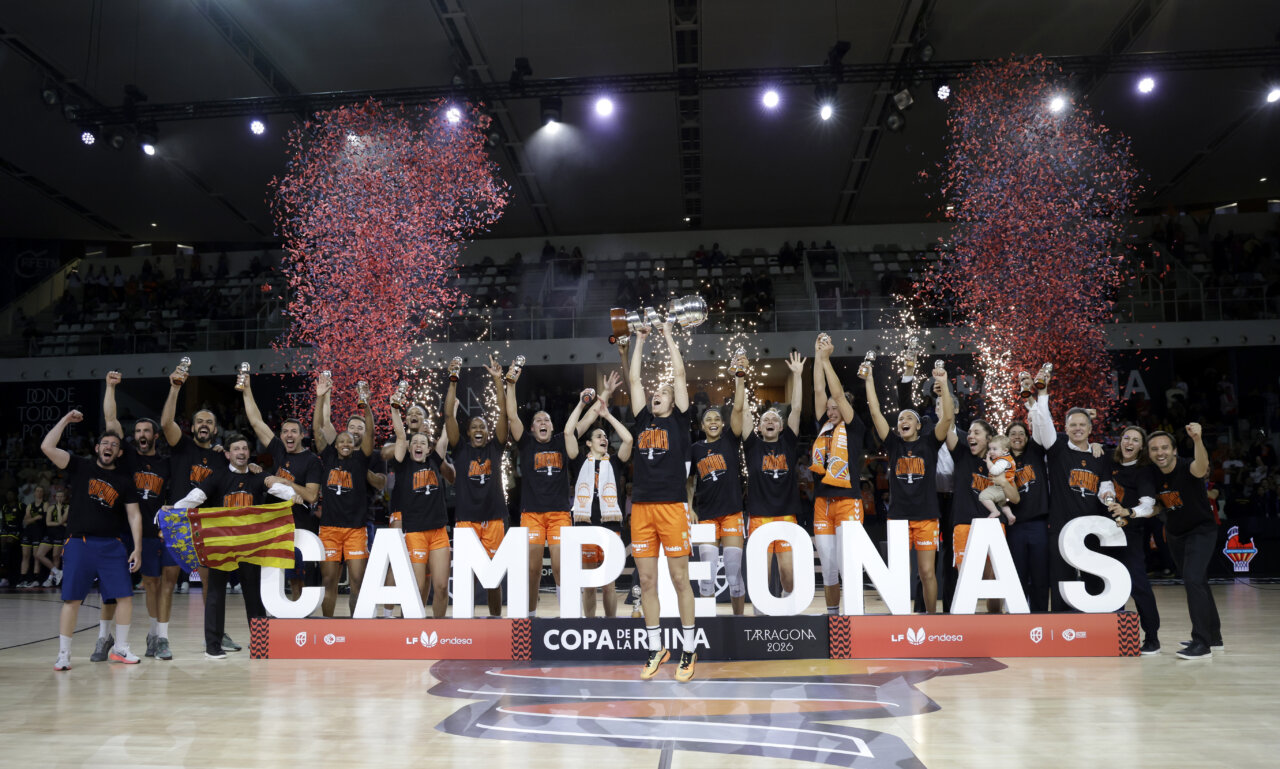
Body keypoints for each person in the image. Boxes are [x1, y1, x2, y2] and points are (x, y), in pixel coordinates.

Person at [173, 432, 294, 658]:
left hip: (250, 547)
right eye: (236, 449)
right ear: (228, 454)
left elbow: (284, 492)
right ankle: (213, 646)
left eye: (245, 449)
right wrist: (173, 509)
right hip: (222, 547)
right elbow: (195, 497)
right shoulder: (217, 477)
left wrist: (290, 492)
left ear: (249, 453)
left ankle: (260, 644)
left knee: (254, 596)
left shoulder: (259, 477)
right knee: (216, 595)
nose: (241, 452)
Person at [41, 410, 143, 671]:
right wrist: (64, 420)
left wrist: (137, 549)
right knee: (72, 599)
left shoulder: (124, 480)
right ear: (97, 448)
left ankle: (120, 648)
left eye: (115, 445)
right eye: (105, 443)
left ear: (119, 453)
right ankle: (64, 653)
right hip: (79, 542)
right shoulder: (80, 466)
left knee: (125, 597)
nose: (109, 447)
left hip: (112, 545)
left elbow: (134, 515)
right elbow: (47, 446)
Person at [627, 321, 698, 682]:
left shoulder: (681, 423)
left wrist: (668, 334)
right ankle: (656, 648)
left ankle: (688, 649)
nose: (657, 393)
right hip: (640, 507)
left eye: (664, 391)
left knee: (680, 579)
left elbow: (680, 373)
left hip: (671, 507)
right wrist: (639, 340)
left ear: (673, 401)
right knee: (648, 581)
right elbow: (635, 381)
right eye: (657, 392)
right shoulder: (642, 421)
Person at [161, 367, 243, 651]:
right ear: (192, 426)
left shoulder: (222, 458)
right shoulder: (181, 445)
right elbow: (166, 422)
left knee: (212, 584)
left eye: (209, 421)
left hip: (208, 525)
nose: (204, 425)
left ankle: (216, 634)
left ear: (215, 429)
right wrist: (175, 388)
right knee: (168, 582)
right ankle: (160, 638)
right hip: (179, 522)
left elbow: (242, 474)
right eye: (199, 421)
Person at [864, 359, 955, 613]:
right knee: (900, 573)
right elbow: (875, 413)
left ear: (917, 425)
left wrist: (943, 383)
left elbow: (947, 417)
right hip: (898, 517)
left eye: (908, 418)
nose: (902, 420)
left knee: (927, 572)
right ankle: (901, 619)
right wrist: (869, 380)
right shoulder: (893, 444)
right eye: (900, 418)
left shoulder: (929, 443)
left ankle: (931, 619)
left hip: (926, 517)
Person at [505, 362, 595, 615]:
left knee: (561, 567)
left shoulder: (562, 440)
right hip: (531, 514)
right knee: (532, 569)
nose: (543, 421)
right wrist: (510, 386)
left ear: (553, 426)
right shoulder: (526, 443)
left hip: (559, 514)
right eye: (538, 420)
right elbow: (512, 416)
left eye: (547, 419)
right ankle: (530, 616)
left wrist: (603, 397)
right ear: (532, 428)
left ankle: (567, 614)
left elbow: (587, 420)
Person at [1026, 369, 1116, 611]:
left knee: (1094, 581)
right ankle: (1061, 630)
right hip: (1061, 527)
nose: (1078, 428)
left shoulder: (1100, 455)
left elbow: (1106, 486)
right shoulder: (1057, 451)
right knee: (1062, 580)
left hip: (1093, 527)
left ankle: (1095, 629)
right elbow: (1043, 422)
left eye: (1082, 424)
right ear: (1065, 427)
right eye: (1073, 424)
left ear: (1090, 427)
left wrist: (1109, 498)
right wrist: (1043, 392)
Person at [104, 371, 178, 660]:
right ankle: (105, 637)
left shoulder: (165, 463)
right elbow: (111, 422)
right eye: (138, 433)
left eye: (147, 432)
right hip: (121, 529)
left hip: (150, 531)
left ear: (155, 436)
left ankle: (152, 635)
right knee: (114, 585)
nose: (142, 436)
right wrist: (111, 388)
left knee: (152, 584)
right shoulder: (128, 456)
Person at [242, 376, 322, 604]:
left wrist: (285, 482)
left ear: (302, 435)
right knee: (275, 577)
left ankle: (300, 623)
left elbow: (312, 495)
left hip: (301, 527)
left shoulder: (312, 461)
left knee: (298, 580)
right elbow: (256, 422)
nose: (288, 435)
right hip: (276, 524)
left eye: (293, 431)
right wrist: (247, 390)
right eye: (285, 431)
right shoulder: (279, 450)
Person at [1148, 424, 1221, 660]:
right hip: (1176, 533)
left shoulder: (1186, 466)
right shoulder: (1153, 474)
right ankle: (1214, 637)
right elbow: (1161, 504)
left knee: (1192, 580)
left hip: (1201, 530)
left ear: (1174, 450)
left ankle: (1202, 644)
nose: (1160, 452)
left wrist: (1198, 439)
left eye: (1165, 448)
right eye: (1155, 449)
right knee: (1197, 581)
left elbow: (1201, 467)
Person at [445, 356, 509, 617]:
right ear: (468, 433)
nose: (479, 429)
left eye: (483, 426)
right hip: (466, 522)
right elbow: (449, 414)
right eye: (474, 427)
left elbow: (504, 414)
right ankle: (465, 622)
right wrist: (453, 380)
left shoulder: (496, 448)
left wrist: (498, 380)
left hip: (494, 520)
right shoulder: (460, 450)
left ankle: (495, 620)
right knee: (465, 576)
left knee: (493, 579)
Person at [811, 334, 869, 614]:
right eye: (830, 409)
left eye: (838, 407)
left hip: (847, 501)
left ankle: (855, 614)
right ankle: (834, 618)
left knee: (848, 563)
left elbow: (833, 393)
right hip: (823, 502)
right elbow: (819, 391)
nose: (832, 410)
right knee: (829, 567)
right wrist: (816, 357)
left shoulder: (854, 426)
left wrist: (826, 359)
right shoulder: (824, 426)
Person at [742, 351, 806, 599]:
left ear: (781, 427)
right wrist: (742, 375)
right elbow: (745, 412)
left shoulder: (788, 442)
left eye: (775, 419)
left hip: (786, 515)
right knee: (761, 575)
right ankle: (762, 616)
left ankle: (786, 611)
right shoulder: (752, 445)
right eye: (766, 418)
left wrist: (798, 376)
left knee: (788, 575)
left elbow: (797, 408)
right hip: (759, 517)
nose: (770, 420)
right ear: (760, 427)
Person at [689, 352, 749, 615]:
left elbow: (737, 408)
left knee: (734, 575)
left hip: (732, 512)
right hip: (705, 516)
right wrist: (689, 507)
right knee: (706, 576)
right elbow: (689, 482)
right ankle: (707, 626)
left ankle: (738, 622)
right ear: (702, 426)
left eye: (716, 419)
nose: (713, 422)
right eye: (708, 420)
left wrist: (739, 378)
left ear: (722, 424)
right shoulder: (694, 449)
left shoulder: (730, 440)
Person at [313, 376, 375, 618]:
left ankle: (356, 627)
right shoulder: (327, 457)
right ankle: (329, 628)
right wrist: (320, 397)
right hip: (329, 530)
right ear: (336, 444)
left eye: (349, 440)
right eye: (342, 440)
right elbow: (318, 428)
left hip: (356, 531)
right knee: (329, 581)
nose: (346, 443)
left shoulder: (361, 459)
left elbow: (369, 432)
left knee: (358, 582)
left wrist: (366, 405)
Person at [945, 418, 1021, 613]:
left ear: (989, 439)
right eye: (969, 432)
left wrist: (1003, 482)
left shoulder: (1002, 464)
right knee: (965, 582)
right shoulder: (961, 454)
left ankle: (995, 624)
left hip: (993, 526)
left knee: (994, 582)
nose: (970, 435)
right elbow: (946, 421)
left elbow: (1015, 499)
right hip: (964, 524)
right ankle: (964, 633)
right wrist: (945, 389)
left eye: (976, 432)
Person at [570, 391, 633, 617]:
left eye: (605, 436)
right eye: (598, 436)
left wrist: (607, 417)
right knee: (588, 583)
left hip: (610, 527)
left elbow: (628, 439)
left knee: (608, 583)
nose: (603, 438)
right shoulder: (579, 461)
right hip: (586, 527)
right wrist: (583, 405)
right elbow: (568, 432)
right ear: (588, 443)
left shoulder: (615, 462)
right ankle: (590, 628)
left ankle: (611, 627)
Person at [389, 401, 455, 617]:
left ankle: (439, 632)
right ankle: (412, 631)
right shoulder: (402, 464)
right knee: (416, 588)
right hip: (415, 532)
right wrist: (395, 410)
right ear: (409, 447)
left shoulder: (435, 460)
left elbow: (445, 436)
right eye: (414, 442)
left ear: (428, 449)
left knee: (442, 588)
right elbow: (400, 435)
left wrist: (451, 413)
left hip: (438, 532)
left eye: (422, 443)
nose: (418, 444)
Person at [1103, 426, 1161, 655]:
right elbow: (1105, 487)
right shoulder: (1110, 460)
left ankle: (1152, 637)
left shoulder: (1144, 470)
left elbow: (1148, 504)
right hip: (1106, 534)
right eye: (1126, 438)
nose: (1129, 443)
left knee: (1138, 585)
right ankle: (1117, 637)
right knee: (1111, 585)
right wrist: (1109, 500)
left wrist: (1128, 511)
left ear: (1141, 446)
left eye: (1135, 440)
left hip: (1131, 535)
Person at [1005, 420, 1051, 610]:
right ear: (1007, 439)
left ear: (1027, 437)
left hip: (1038, 524)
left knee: (1040, 575)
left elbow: (1042, 427)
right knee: (1018, 574)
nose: (1017, 437)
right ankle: (1018, 618)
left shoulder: (1035, 452)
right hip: (1014, 526)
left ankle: (1039, 617)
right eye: (1013, 433)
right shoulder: (1002, 461)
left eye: (1021, 433)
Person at [978, 435, 1017, 524]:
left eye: (995, 449)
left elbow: (995, 471)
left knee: (983, 496)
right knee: (1001, 504)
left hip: (1001, 488)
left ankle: (995, 511)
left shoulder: (1003, 461)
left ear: (1005, 450)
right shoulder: (1004, 459)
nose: (991, 451)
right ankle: (1010, 515)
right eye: (990, 449)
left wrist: (988, 461)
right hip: (1005, 489)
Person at [20, 486, 52, 588]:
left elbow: (43, 519)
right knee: (25, 556)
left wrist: (32, 518)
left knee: (36, 556)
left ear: (43, 493)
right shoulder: (30, 505)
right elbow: (26, 520)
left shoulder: (45, 504)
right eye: (37, 491)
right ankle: (23, 579)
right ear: (34, 493)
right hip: (28, 532)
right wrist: (36, 517)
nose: (39, 493)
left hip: (38, 532)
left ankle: (36, 579)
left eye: (41, 491)